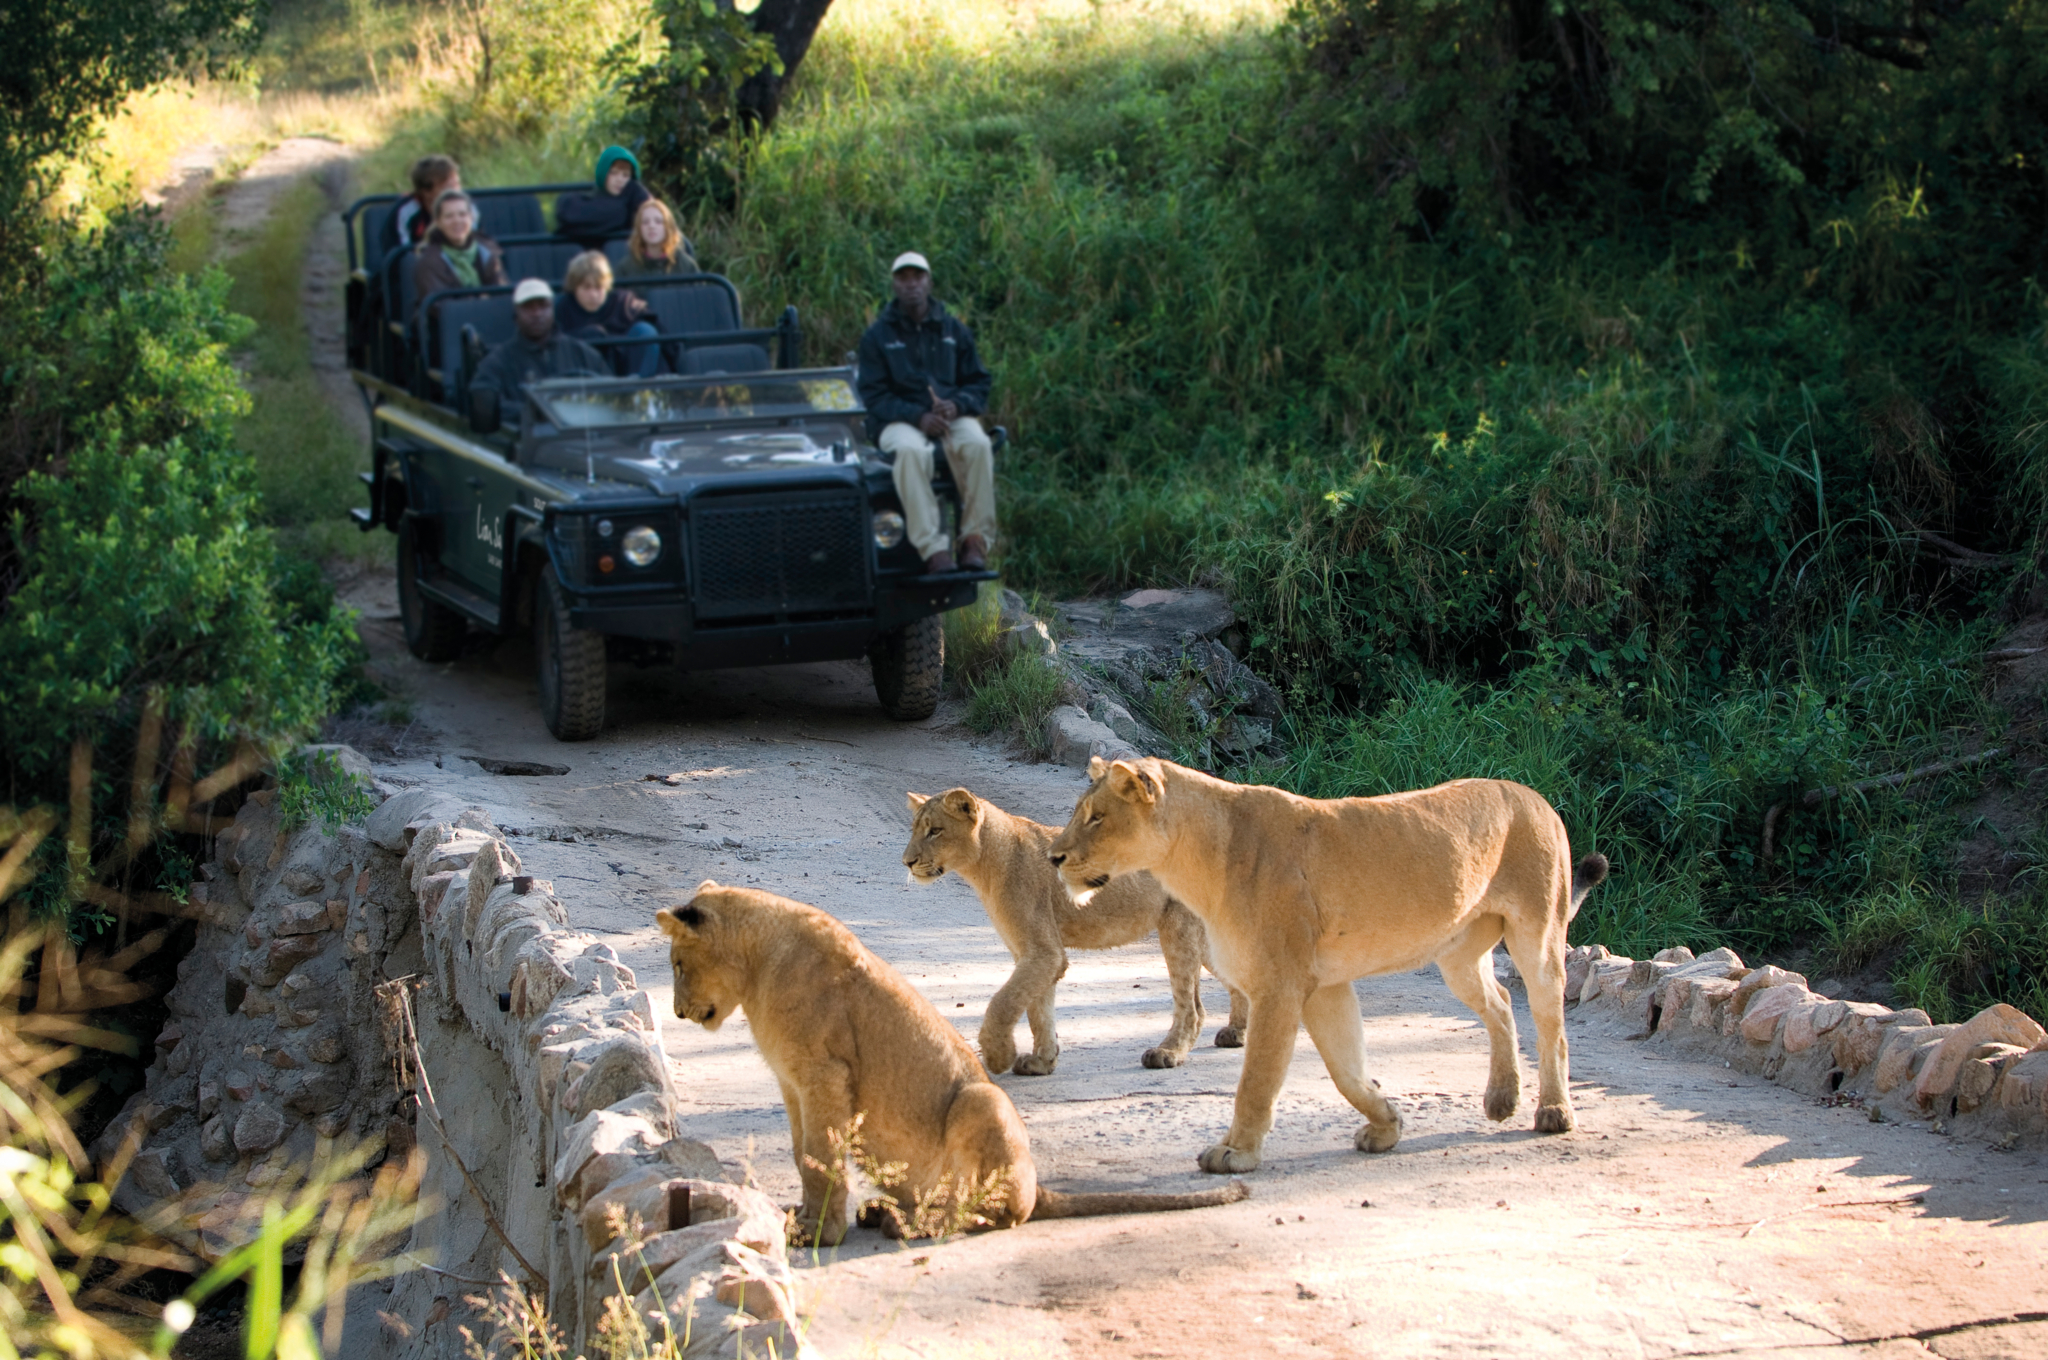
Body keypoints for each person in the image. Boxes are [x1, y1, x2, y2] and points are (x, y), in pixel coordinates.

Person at [856, 251, 995, 574]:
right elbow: (873, 396)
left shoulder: (953, 330)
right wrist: (917, 416)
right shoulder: (877, 336)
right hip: (899, 420)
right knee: (909, 452)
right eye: (903, 278)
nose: (911, 284)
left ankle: (974, 540)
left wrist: (957, 404)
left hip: (950, 416)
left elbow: (979, 382)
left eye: (917, 277)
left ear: (928, 281)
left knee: (978, 444)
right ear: (894, 284)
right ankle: (933, 549)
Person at [469, 279, 610, 419]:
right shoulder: (497, 362)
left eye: (543, 306)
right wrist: (536, 412)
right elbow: (486, 407)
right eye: (528, 307)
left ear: (553, 310)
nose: (537, 313)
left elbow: (612, 396)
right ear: (516, 315)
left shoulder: (584, 354)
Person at [556, 251, 661, 378]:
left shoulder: (624, 302)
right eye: (586, 287)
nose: (593, 295)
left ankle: (639, 390)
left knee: (645, 330)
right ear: (574, 287)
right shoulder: (562, 308)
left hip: (627, 371)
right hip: (582, 380)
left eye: (598, 287)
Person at [412, 189, 506, 323]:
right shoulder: (428, 261)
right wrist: (482, 308)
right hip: (446, 330)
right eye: (449, 216)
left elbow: (501, 294)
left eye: (462, 214)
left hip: (489, 321)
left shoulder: (488, 251)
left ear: (471, 218)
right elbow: (440, 309)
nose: (457, 221)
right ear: (438, 222)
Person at [555, 145, 652, 246]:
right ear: (603, 173)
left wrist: (636, 190)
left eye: (625, 175)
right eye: (613, 173)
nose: (619, 179)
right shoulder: (576, 203)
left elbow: (654, 212)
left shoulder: (634, 201)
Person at [384, 154, 461, 257]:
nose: (455, 192)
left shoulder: (468, 210)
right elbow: (401, 257)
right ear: (426, 192)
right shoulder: (406, 212)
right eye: (447, 187)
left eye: (457, 184)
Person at [615, 197, 698, 278]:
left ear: (668, 227)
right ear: (639, 229)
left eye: (658, 221)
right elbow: (614, 291)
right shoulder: (626, 268)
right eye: (645, 222)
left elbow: (700, 290)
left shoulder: (686, 265)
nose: (651, 226)